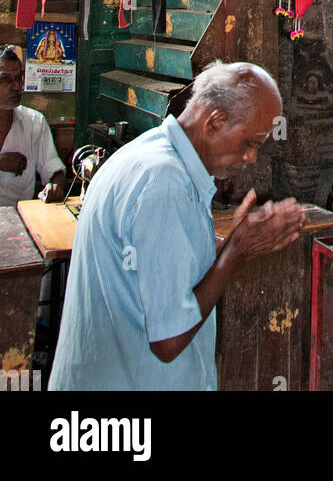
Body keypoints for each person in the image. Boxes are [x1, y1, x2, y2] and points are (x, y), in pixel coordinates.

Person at [49, 60, 307, 391]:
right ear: (215, 122)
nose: (251, 158)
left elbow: (163, 267)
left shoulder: (157, 157)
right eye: (250, 142)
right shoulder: (165, 183)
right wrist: (236, 253)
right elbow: (168, 339)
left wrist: (230, 243)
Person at [0, 45, 65, 207]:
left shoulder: (34, 122)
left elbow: (53, 169)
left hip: (18, 221)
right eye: (6, 80)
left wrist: (56, 186)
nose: (17, 87)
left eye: (19, 78)